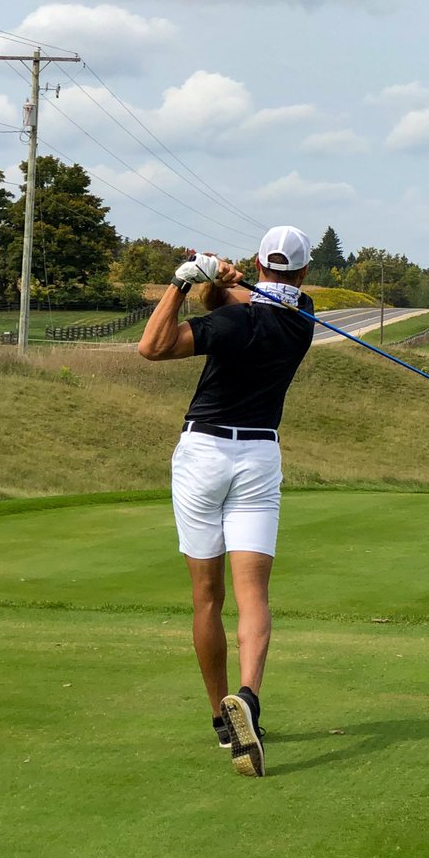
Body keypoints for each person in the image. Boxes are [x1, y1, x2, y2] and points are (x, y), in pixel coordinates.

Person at [138, 225, 315, 778]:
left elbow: (152, 347)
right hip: (259, 457)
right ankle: (250, 702)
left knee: (206, 598)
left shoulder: (236, 319)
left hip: (204, 454)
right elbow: (254, 299)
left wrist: (181, 284)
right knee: (253, 593)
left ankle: (223, 718)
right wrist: (228, 281)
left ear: (259, 263)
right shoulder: (303, 317)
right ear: (303, 274)